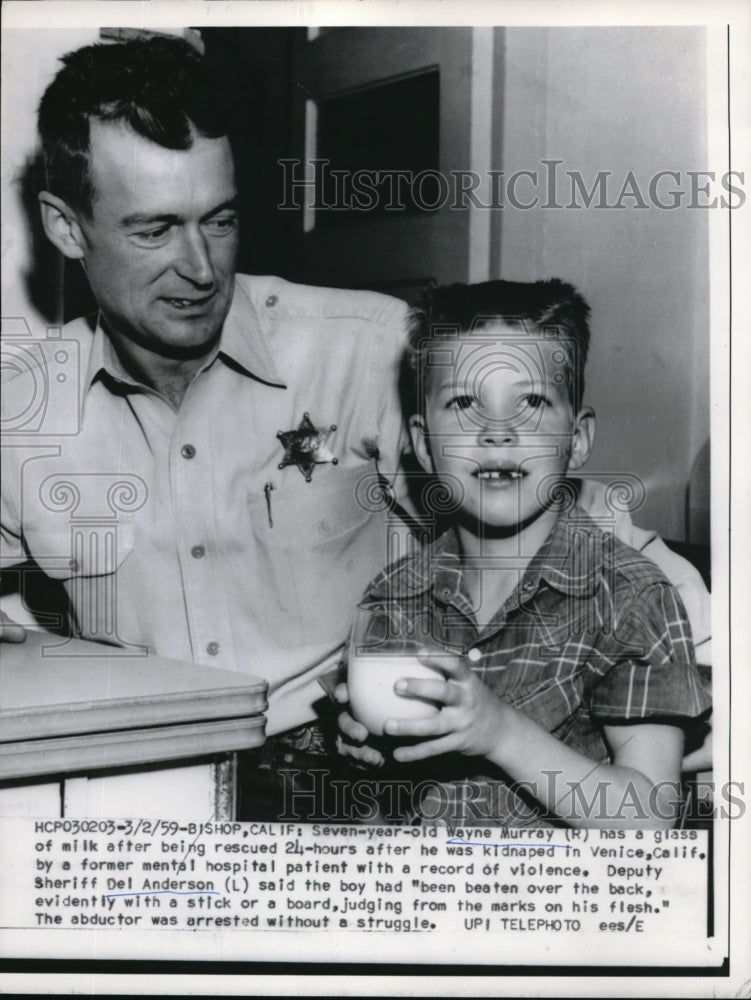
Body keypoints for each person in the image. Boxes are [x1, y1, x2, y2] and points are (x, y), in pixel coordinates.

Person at [1, 37, 710, 820]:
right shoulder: (22, 405)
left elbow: (588, 536)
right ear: (67, 229)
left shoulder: (371, 346)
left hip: (346, 785)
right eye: (154, 230)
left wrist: (697, 696)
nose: (201, 268)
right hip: (132, 789)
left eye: (220, 219)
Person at [335, 280, 711, 828]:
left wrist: (499, 732)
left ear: (577, 440)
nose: (498, 432)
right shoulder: (393, 596)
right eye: (464, 403)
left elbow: (649, 819)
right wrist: (364, 754)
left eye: (531, 402)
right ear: (421, 442)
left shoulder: (631, 598)